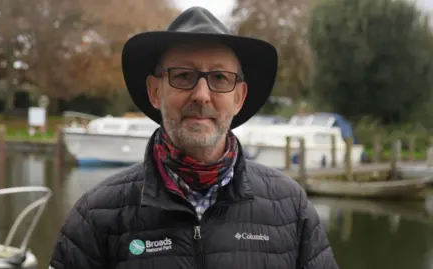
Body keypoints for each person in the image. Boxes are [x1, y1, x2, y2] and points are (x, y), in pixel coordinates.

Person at [48, 6, 339, 269]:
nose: (201, 95)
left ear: (239, 97)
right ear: (154, 91)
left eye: (220, 78)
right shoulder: (96, 216)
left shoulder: (291, 207)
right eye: (184, 76)